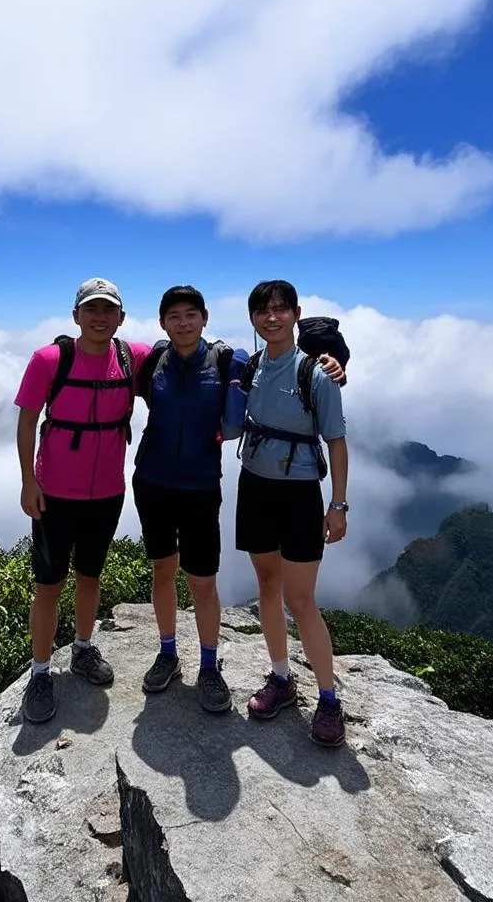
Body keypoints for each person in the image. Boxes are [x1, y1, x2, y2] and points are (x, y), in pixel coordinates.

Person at [134, 285, 345, 714]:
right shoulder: (154, 361)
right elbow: (110, 357)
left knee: (219, 584)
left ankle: (314, 696)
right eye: (174, 316)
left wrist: (336, 361)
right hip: (175, 482)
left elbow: (327, 412)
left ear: (206, 318)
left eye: (191, 314)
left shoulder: (233, 360)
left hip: (219, 488)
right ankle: (175, 655)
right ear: (162, 323)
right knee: (181, 572)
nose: (183, 322)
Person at [14, 277, 154, 723]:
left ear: (121, 318)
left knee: (90, 576)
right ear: (76, 316)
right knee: (48, 585)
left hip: (108, 492)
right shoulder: (50, 360)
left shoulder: (133, 358)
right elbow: (27, 421)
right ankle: (40, 672)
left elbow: (189, 353)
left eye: (107, 310)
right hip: (54, 493)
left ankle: (82, 649)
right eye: (90, 309)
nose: (99, 317)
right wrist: (27, 482)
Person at [226, 279, 350, 747]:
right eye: (263, 311)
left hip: (300, 494)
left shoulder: (317, 374)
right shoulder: (252, 365)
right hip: (255, 485)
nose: (271, 317)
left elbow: (336, 440)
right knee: (267, 585)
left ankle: (329, 698)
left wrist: (337, 504)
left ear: (296, 314)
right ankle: (281, 677)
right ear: (254, 318)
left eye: (281, 310)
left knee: (300, 599)